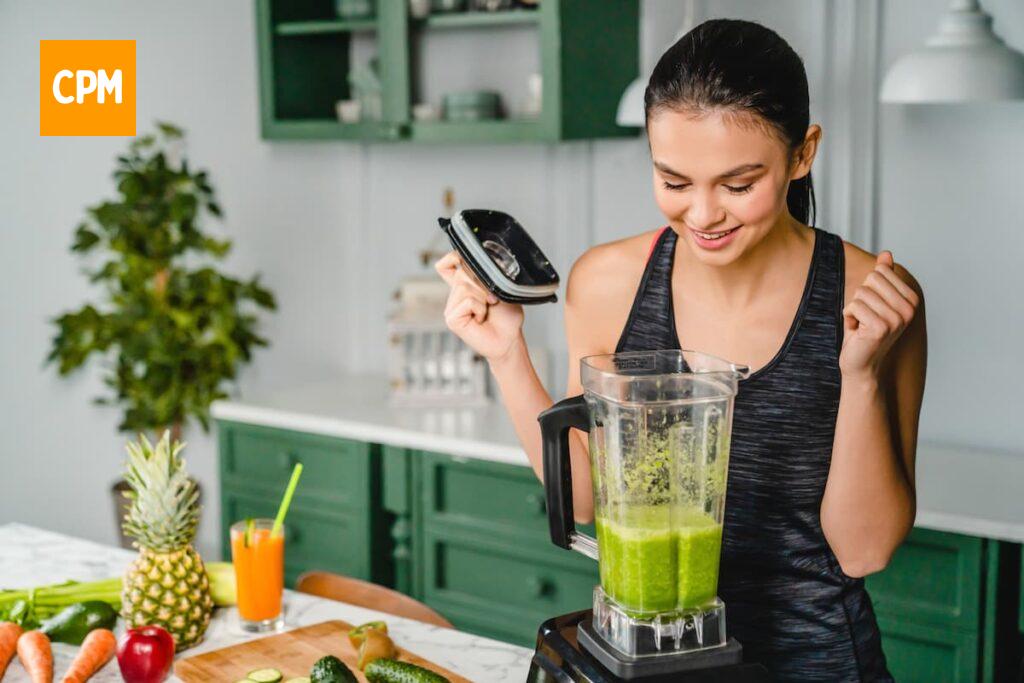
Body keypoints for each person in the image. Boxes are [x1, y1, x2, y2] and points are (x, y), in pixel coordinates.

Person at [436, 18, 925, 682]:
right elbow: (585, 503)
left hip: (820, 663)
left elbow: (864, 549)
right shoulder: (608, 284)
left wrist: (859, 374)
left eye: (737, 184)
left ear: (803, 153)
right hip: (652, 667)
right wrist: (505, 354)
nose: (701, 214)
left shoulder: (871, 297)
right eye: (674, 180)